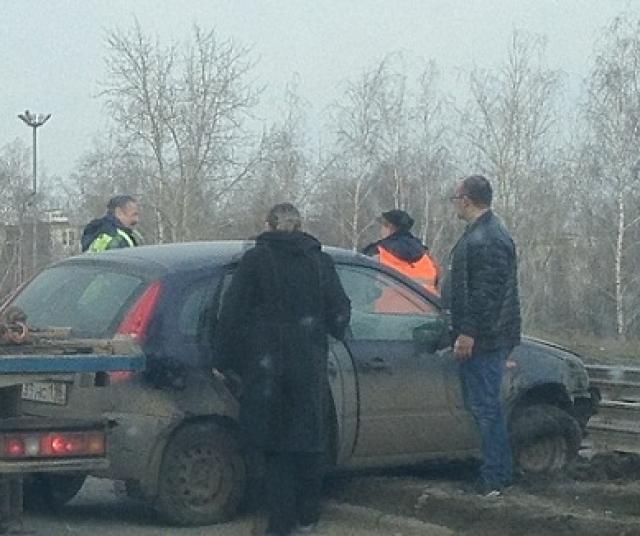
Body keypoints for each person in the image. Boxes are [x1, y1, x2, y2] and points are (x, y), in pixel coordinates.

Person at [214, 203, 351, 536]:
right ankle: (308, 516)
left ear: (269, 225)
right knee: (309, 444)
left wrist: (225, 360)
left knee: (275, 449)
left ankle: (279, 522)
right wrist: (325, 331)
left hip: (267, 369)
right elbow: (340, 313)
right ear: (300, 226)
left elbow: (231, 314)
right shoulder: (319, 262)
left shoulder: (255, 261)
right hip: (308, 367)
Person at [444, 175, 521, 496]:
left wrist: (468, 332)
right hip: (486, 336)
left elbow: (485, 294)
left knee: (487, 408)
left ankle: (495, 477)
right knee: (483, 406)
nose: (454, 203)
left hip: (486, 339)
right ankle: (494, 471)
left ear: (467, 200)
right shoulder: (482, 233)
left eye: (456, 197)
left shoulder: (487, 238)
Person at [362, 209, 441, 296]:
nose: (381, 230)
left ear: (390, 227)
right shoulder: (426, 255)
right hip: (425, 303)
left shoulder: (378, 252)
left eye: (383, 226)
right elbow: (437, 282)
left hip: (388, 303)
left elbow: (362, 283)